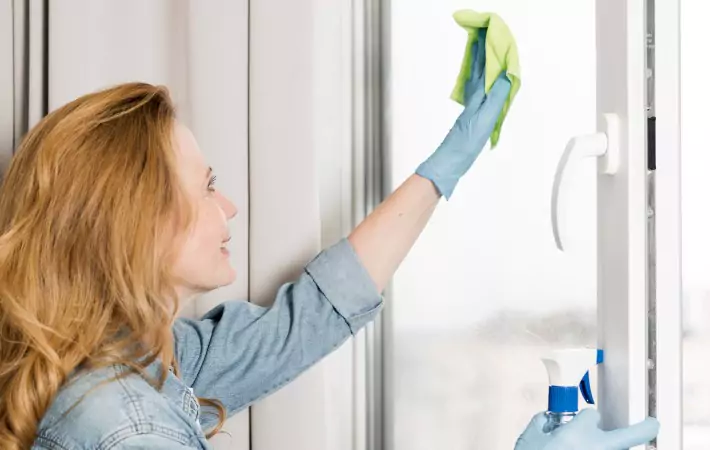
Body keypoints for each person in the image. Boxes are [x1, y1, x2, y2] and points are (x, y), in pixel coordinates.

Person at [0, 31, 658, 450]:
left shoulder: (139, 362)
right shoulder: (129, 430)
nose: (229, 206)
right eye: (207, 187)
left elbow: (305, 320)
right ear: (137, 222)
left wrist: (447, 163)